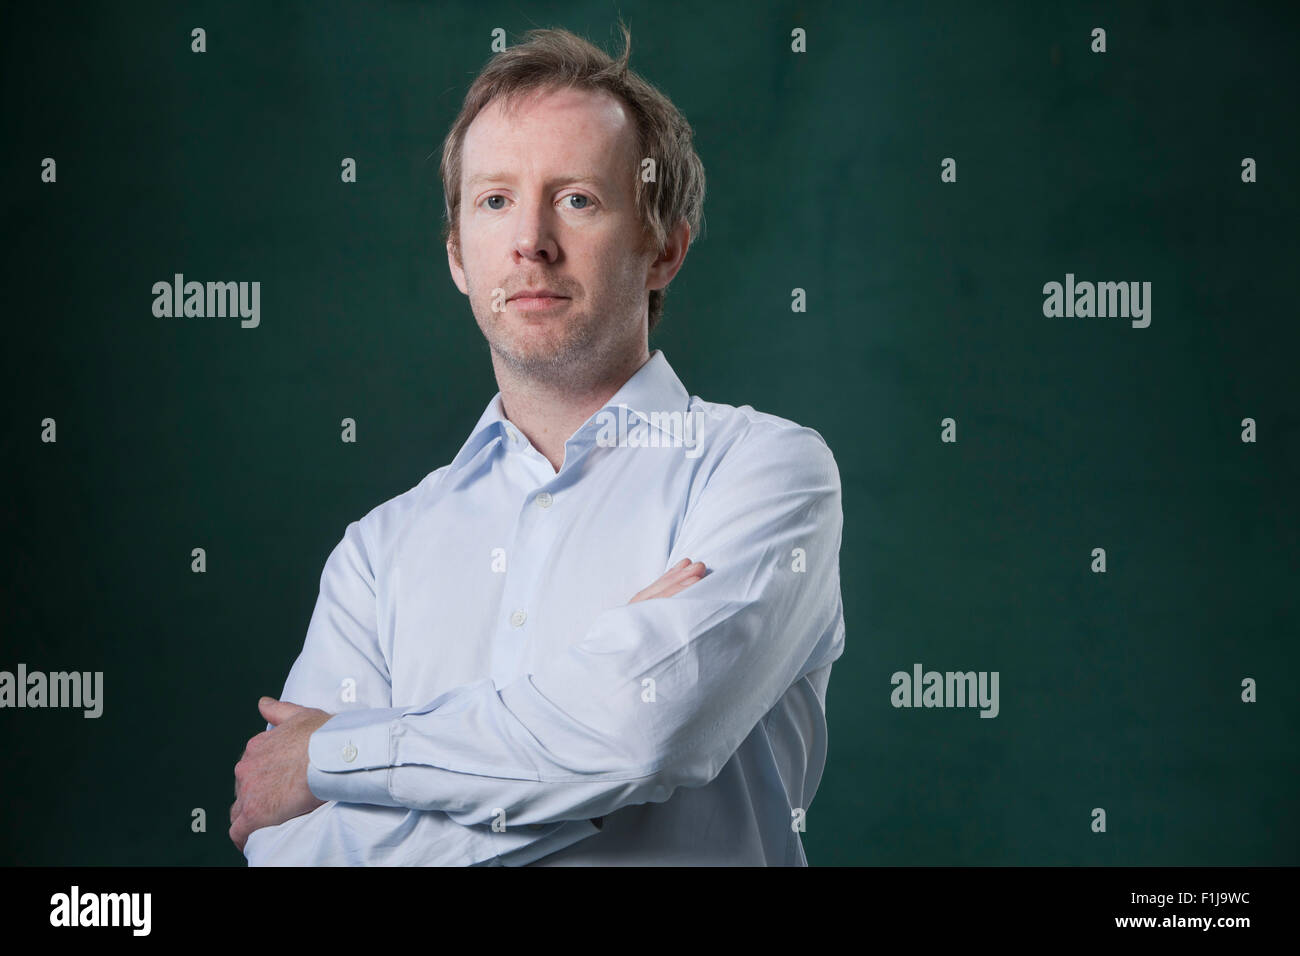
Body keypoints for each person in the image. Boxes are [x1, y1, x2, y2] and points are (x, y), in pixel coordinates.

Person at [229, 23, 845, 866]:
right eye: (493, 201)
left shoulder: (767, 471)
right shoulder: (378, 556)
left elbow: (642, 737)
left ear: (663, 247)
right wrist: (580, 740)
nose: (530, 240)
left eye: (578, 199)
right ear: (457, 257)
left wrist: (342, 756)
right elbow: (289, 850)